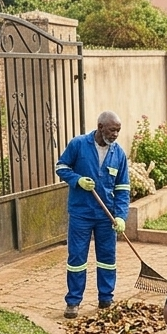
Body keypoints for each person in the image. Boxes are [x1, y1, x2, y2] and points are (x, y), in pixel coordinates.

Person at [55, 111, 130, 318]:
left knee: (107, 258)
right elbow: (61, 166)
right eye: (112, 130)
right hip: (81, 212)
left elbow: (123, 188)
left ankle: (106, 298)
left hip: (107, 215)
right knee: (77, 257)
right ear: (100, 127)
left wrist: (121, 216)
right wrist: (77, 179)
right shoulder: (78, 144)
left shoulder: (119, 154)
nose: (115, 134)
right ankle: (73, 302)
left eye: (118, 131)